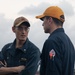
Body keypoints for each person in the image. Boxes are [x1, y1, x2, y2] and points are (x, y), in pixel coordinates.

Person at [36, 6, 75, 75]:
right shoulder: (69, 42)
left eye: (43, 19)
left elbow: (53, 70)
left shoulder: (52, 42)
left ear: (50, 20)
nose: (42, 24)